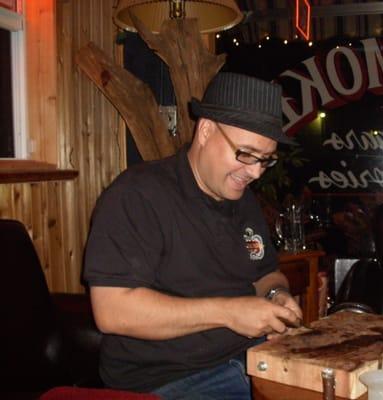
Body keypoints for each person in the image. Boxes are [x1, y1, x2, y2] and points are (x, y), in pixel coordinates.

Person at [83, 72, 303, 400]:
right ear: (206, 130)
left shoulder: (243, 202)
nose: (255, 172)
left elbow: (266, 274)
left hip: (251, 358)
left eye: (265, 160)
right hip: (168, 380)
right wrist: (230, 312)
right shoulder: (137, 195)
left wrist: (275, 296)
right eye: (245, 154)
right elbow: (112, 311)